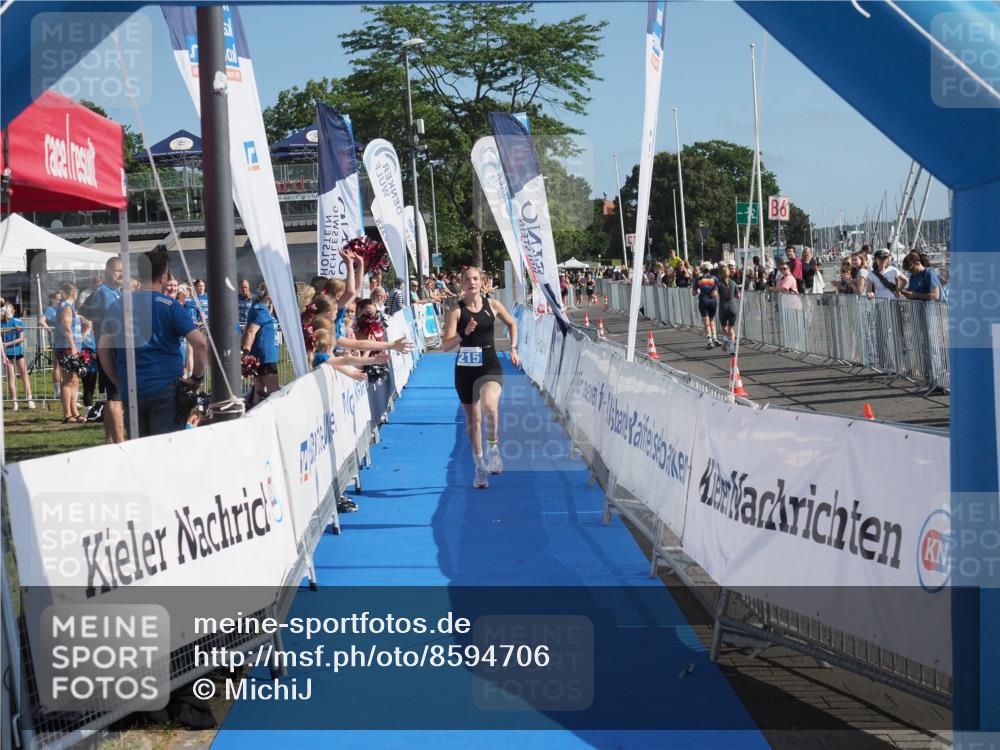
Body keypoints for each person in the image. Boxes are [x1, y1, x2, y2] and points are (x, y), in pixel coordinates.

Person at [98, 249, 208, 439]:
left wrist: (118, 381)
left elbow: (102, 350)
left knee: (139, 448)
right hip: (165, 389)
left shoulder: (117, 305)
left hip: (132, 389)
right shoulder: (170, 306)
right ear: (163, 276)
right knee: (165, 448)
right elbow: (201, 344)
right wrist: (197, 378)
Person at [441, 266, 520, 489]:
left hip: (489, 365)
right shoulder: (456, 311)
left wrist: (513, 348)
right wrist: (463, 333)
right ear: (462, 284)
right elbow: (445, 346)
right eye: (467, 279)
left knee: (490, 407)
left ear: (482, 282)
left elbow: (512, 323)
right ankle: (479, 468)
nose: (472, 282)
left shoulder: (492, 305)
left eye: (475, 279)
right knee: (473, 421)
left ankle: (493, 448)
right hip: (465, 370)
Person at [78, 256, 125, 443]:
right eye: (117, 271)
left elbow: (83, 309)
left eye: (123, 271)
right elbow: (117, 319)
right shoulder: (104, 292)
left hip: (112, 347)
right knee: (115, 396)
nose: (121, 274)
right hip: (111, 350)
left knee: (113, 396)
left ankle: (109, 441)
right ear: (107, 271)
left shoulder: (112, 291)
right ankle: (119, 441)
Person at [241, 285, 281, 405]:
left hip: (261, 356)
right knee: (273, 390)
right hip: (265, 357)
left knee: (260, 390)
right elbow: (251, 331)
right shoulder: (261, 310)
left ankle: (254, 411)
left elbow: (249, 328)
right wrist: (246, 351)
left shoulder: (259, 308)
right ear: (269, 296)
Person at [54, 282, 84, 423]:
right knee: (67, 381)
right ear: (74, 292)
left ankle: (74, 412)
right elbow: (66, 328)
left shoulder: (70, 306)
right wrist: (72, 347)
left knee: (74, 380)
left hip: (74, 345)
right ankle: (67, 414)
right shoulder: (66, 306)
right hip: (67, 346)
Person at [1, 303, 35, 410]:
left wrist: (7, 344)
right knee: (12, 377)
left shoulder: (17, 321)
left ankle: (29, 399)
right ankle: (15, 402)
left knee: (24, 375)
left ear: (13, 311)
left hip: (17, 351)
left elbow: (21, 339)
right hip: (8, 353)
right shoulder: (2, 322)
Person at [692, 262, 721, 349]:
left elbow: (694, 293)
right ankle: (715, 337)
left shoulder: (698, 279)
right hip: (712, 301)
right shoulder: (715, 278)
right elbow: (716, 292)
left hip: (703, 300)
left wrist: (698, 291)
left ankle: (709, 341)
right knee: (712, 320)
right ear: (710, 269)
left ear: (702, 269)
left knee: (706, 321)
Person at [716, 264, 740, 353]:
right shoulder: (733, 283)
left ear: (720, 274)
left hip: (723, 307)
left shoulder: (718, 284)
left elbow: (714, 294)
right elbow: (738, 296)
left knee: (724, 327)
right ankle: (732, 348)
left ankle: (726, 339)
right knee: (731, 329)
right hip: (732, 307)